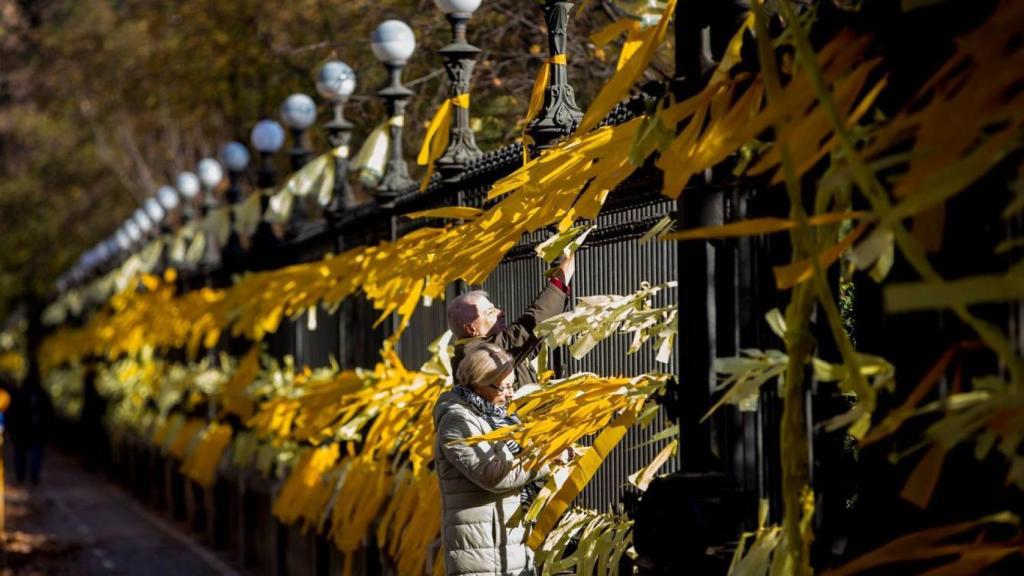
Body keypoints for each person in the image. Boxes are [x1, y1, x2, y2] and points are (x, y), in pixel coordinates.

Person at [434, 342, 571, 576]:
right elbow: (493, 475)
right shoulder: (457, 421)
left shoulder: (499, 417)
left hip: (507, 547)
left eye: (512, 386)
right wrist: (546, 459)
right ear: (478, 383)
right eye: (502, 388)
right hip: (482, 555)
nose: (510, 395)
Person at [447, 254, 575, 390]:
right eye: (490, 312)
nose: (501, 313)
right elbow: (529, 327)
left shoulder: (475, 350)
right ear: (472, 329)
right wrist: (561, 279)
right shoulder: (481, 354)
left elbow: (530, 339)